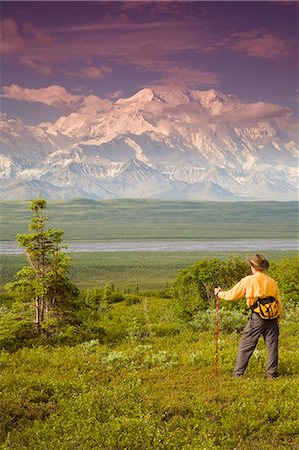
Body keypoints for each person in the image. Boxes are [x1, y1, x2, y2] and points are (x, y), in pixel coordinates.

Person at [214, 253, 282, 379]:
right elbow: (279, 301)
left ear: (253, 267)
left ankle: (238, 374)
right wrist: (278, 316)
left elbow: (232, 295)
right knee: (272, 346)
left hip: (257, 316)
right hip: (272, 316)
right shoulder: (272, 281)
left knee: (246, 344)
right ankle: (272, 374)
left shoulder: (248, 280)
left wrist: (219, 293)